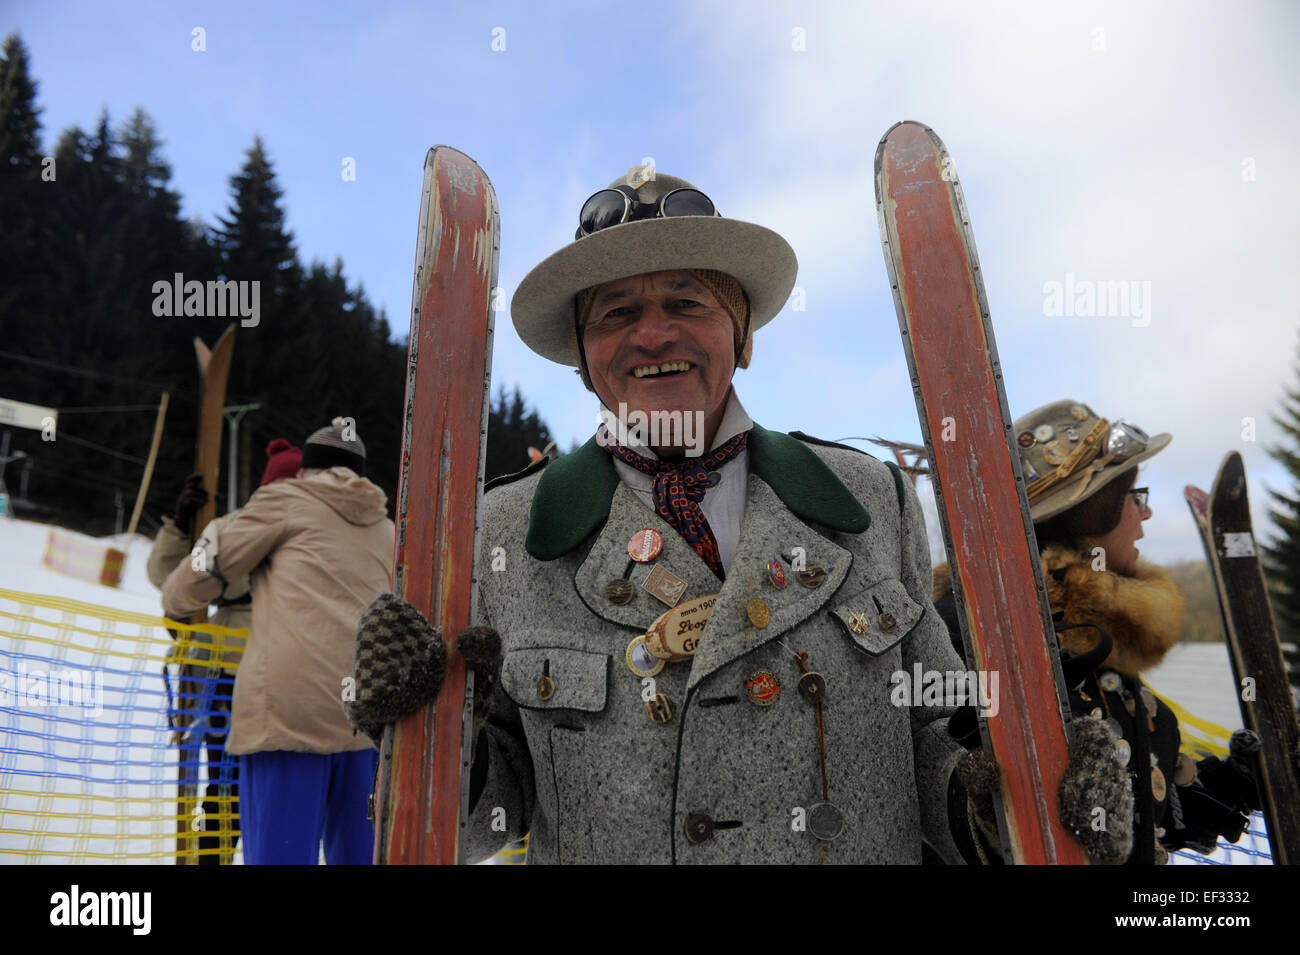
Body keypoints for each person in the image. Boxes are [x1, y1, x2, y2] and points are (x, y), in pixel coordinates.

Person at [346, 171, 1126, 864]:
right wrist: (432, 742)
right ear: (584, 360)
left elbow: (931, 735)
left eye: (686, 302)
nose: (652, 334)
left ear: (741, 336)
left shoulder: (866, 499)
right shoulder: (505, 533)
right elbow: (483, 821)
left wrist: (1021, 801)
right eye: (616, 313)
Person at [933, 399, 1261, 864]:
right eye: (1135, 497)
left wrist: (1239, 783)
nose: (1145, 516)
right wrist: (982, 822)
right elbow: (928, 805)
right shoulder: (970, 632)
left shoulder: (1092, 634)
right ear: (1093, 516)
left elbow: (1147, 807)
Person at [162, 419, 393, 865]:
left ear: (305, 469)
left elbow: (202, 567)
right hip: (364, 724)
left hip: (287, 718)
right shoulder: (388, 529)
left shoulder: (284, 500)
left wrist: (176, 598)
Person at [147, 438, 302, 863]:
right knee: (225, 789)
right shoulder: (238, 528)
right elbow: (169, 578)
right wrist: (182, 529)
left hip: (292, 685)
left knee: (278, 795)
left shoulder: (316, 540)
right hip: (225, 681)